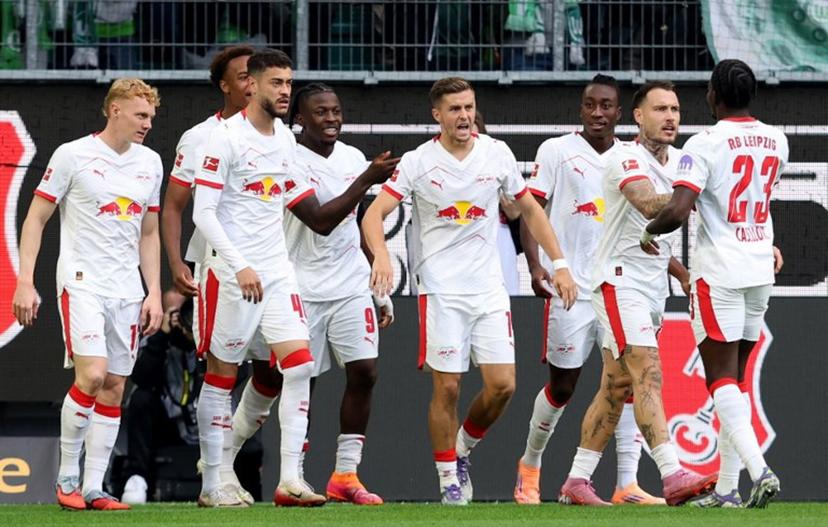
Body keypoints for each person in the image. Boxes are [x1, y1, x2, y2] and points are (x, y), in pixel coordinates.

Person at [363, 77, 577, 505]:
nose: (463, 116)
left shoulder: (495, 153)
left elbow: (530, 209)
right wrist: (382, 256)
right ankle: (448, 481)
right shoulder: (420, 162)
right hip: (441, 290)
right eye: (454, 109)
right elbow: (374, 214)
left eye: (468, 107)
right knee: (448, 388)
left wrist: (560, 264)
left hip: (489, 288)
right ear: (437, 115)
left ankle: (461, 450)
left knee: (503, 386)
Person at [556, 80, 717, 506]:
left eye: (676, 110)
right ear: (638, 116)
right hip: (617, 280)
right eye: (660, 109)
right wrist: (695, 195)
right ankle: (672, 473)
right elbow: (652, 207)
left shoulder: (685, 161)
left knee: (616, 384)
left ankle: (576, 481)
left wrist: (684, 271)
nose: (670, 118)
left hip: (652, 286)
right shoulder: (622, 158)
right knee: (647, 369)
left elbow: (701, 211)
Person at [12, 78, 164, 510]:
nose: (147, 124)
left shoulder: (151, 162)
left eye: (151, 117)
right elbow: (36, 219)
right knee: (93, 375)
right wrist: (26, 280)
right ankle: (66, 478)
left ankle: (95, 488)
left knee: (115, 386)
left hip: (127, 289)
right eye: (140, 114)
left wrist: (153, 290)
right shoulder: (72, 155)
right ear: (114, 110)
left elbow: (148, 233)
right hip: (82, 281)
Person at [642, 59, 788, 509]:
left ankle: (758, 470)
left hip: (719, 271)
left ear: (713, 94)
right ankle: (726, 489)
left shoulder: (703, 144)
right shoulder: (777, 139)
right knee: (736, 383)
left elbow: (679, 207)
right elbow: (757, 202)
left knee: (720, 378)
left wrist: (650, 231)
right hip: (760, 267)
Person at [513, 74, 663, 506]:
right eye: (590, 105)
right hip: (572, 289)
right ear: (581, 109)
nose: (598, 113)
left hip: (620, 286)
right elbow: (530, 211)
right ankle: (531, 465)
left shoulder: (634, 159)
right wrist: (537, 263)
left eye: (606, 106)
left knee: (629, 381)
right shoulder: (557, 151)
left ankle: (627, 484)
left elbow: (647, 228)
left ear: (620, 112)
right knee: (563, 387)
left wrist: (677, 269)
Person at [283, 82, 398, 505]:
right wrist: (367, 178)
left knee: (365, 371)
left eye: (335, 111)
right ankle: (292, 473)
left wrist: (377, 283)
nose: (330, 119)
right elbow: (320, 220)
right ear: (300, 119)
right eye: (320, 112)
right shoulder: (288, 158)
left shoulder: (351, 157)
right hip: (302, 285)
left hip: (349, 283)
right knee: (301, 381)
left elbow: (355, 222)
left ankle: (346, 474)